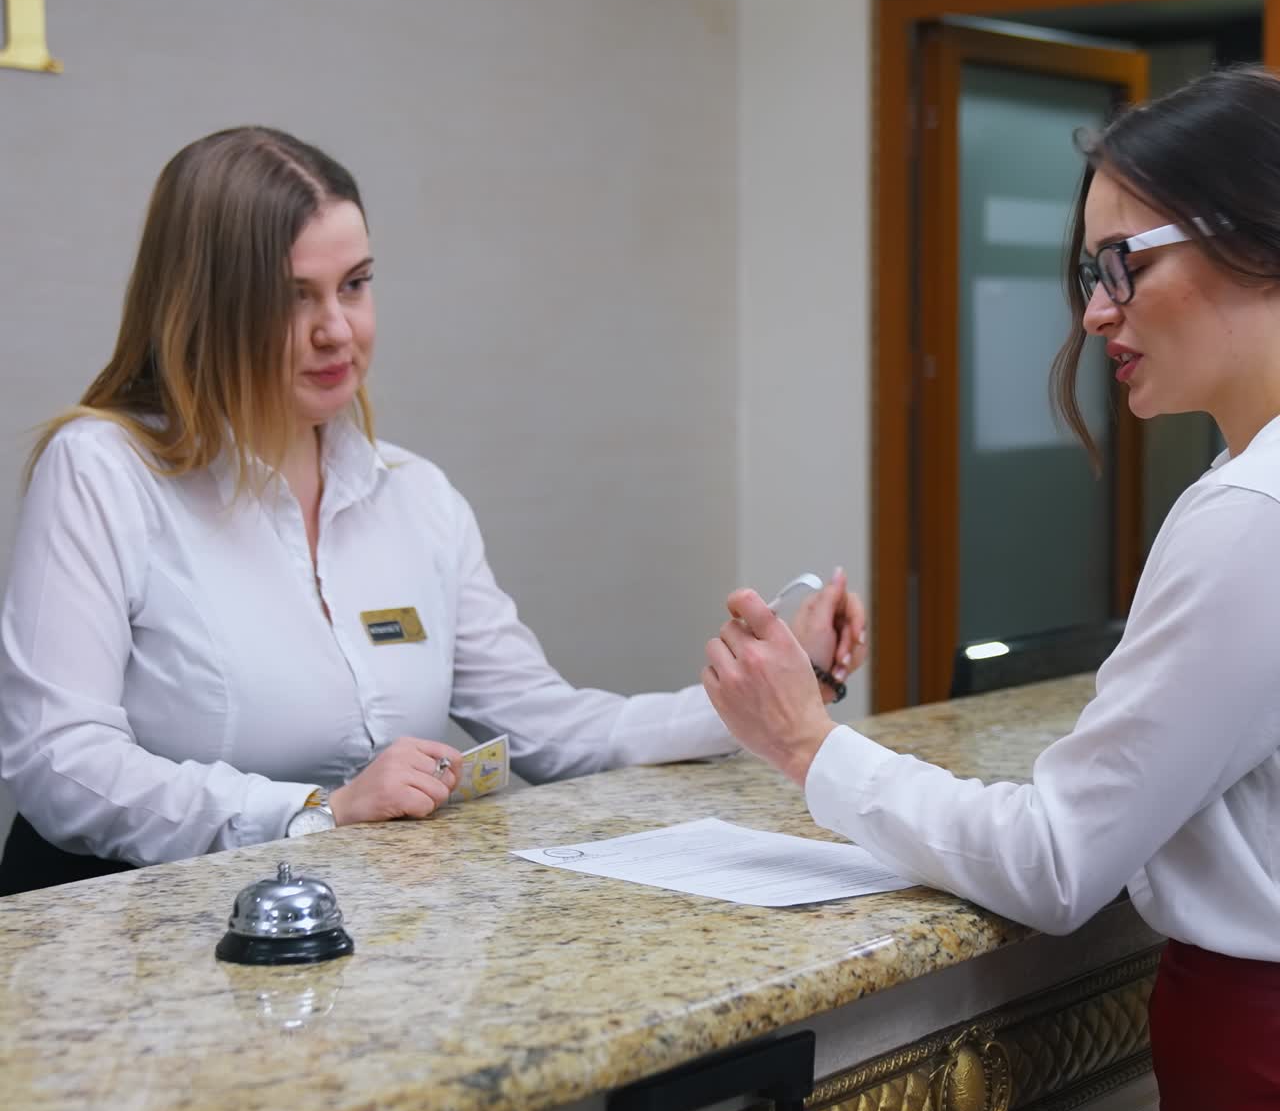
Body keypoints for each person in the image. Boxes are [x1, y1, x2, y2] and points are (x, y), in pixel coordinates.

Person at [0, 126, 866, 897]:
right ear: (204, 307)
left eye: (356, 285)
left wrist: (781, 688)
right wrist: (316, 811)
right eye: (293, 296)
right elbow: (60, 765)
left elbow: (552, 729)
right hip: (125, 936)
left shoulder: (414, 495)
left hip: (354, 941)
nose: (337, 329)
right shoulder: (104, 470)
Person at [703, 64, 1280, 1111]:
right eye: (1085, 271)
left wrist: (806, 744)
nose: (1093, 309)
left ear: (1253, 235)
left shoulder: (1250, 515)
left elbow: (1055, 861)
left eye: (1124, 262)